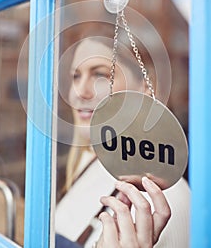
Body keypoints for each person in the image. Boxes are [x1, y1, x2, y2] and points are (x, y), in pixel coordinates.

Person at [55, 26, 190, 248]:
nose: (79, 92)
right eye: (75, 77)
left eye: (100, 75)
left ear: (145, 88)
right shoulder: (91, 162)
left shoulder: (165, 200)